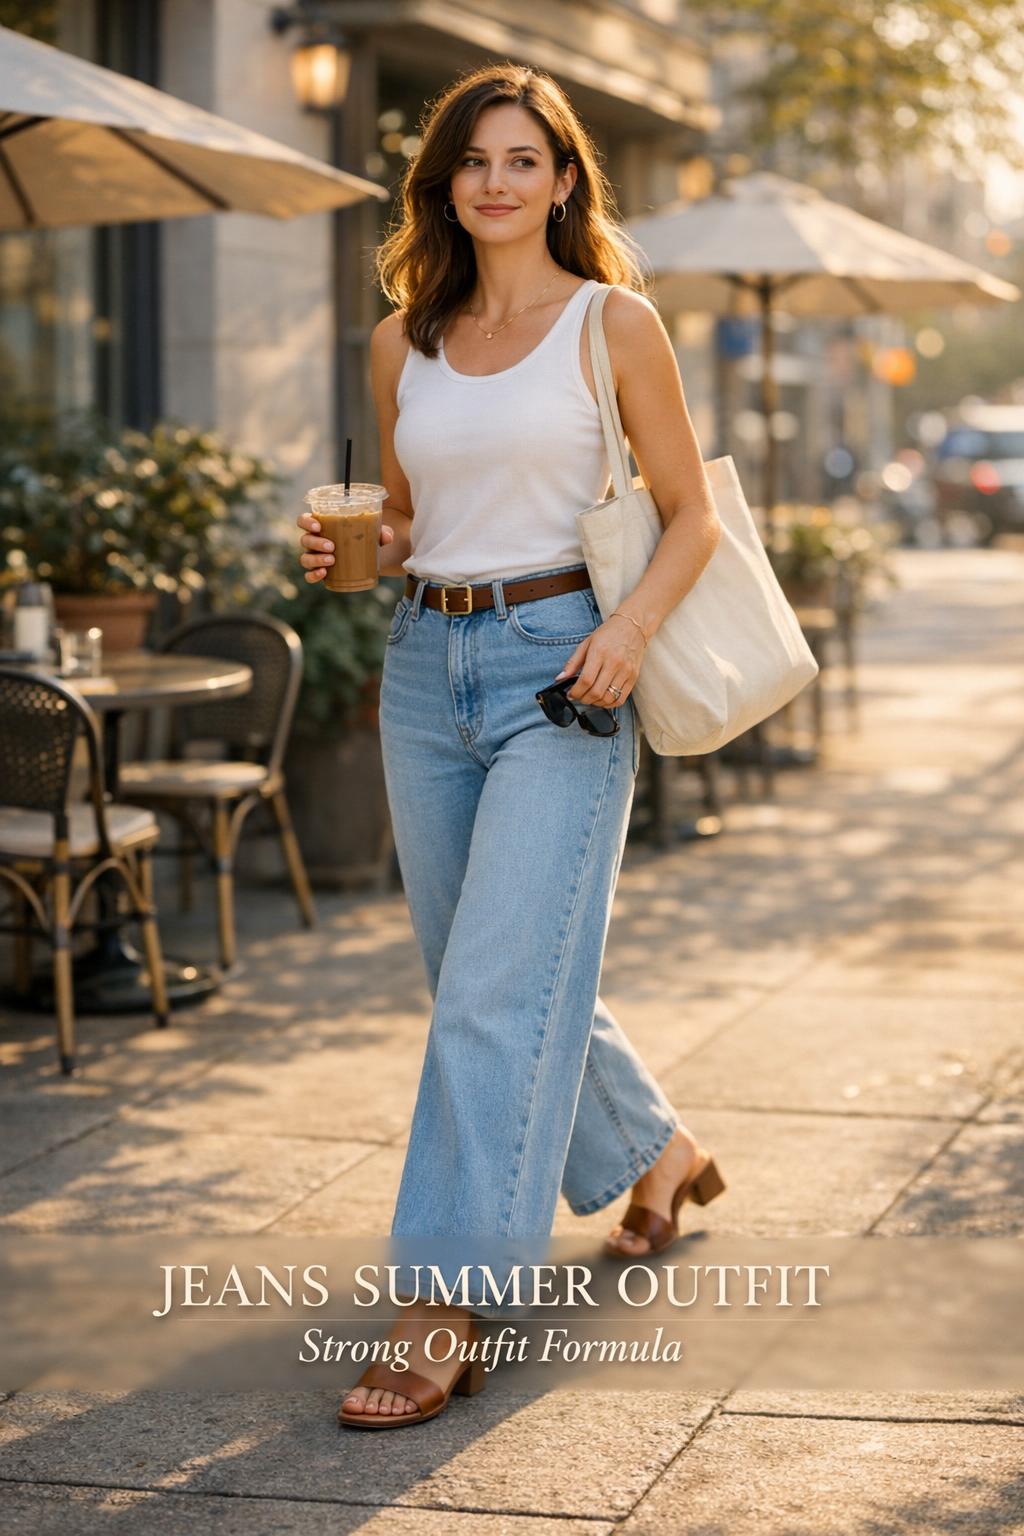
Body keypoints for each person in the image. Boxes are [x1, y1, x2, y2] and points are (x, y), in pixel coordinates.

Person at [296, 63, 725, 1430]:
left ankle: (447, 1300)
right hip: (424, 669)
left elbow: (691, 512)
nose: (494, 181)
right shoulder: (401, 341)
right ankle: (658, 1152)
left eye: (521, 160)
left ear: (560, 180)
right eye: (472, 160)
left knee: (492, 986)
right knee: (486, 966)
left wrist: (632, 632)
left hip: (567, 674)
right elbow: (413, 523)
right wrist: (349, 554)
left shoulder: (614, 324)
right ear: (443, 184)